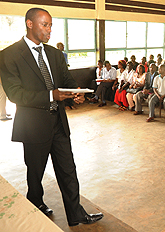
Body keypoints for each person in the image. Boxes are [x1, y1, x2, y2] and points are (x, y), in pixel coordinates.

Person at [0, 8, 103, 226]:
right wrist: (51, 95)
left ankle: (76, 214)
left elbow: (65, 80)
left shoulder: (55, 54)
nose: (49, 29)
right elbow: (15, 94)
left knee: (68, 170)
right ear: (29, 24)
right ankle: (36, 202)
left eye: (51, 25)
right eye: (44, 24)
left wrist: (74, 94)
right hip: (33, 126)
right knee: (35, 172)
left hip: (58, 123)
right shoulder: (9, 55)